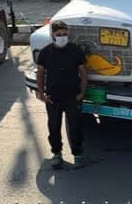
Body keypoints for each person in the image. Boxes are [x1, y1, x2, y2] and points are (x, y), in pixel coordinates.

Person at [36, 20, 88, 169]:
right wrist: (42, 94)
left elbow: (83, 73)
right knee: (53, 127)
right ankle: (56, 154)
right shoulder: (45, 52)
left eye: (65, 34)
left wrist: (82, 93)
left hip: (73, 96)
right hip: (53, 98)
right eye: (59, 34)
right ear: (52, 35)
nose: (62, 37)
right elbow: (40, 74)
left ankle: (77, 154)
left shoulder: (76, 50)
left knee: (75, 127)